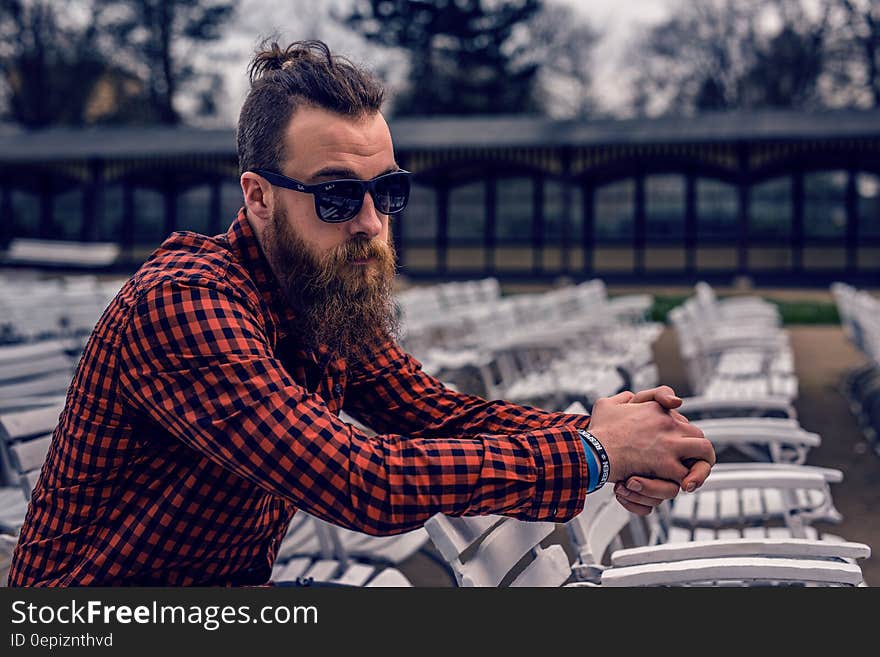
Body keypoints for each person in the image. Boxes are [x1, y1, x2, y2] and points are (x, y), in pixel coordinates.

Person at [8, 40, 714, 587]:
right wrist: (594, 454)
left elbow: (436, 414)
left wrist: (616, 432)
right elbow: (361, 478)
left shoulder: (322, 294)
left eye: (388, 192)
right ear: (257, 197)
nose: (371, 223)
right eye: (338, 197)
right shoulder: (186, 301)